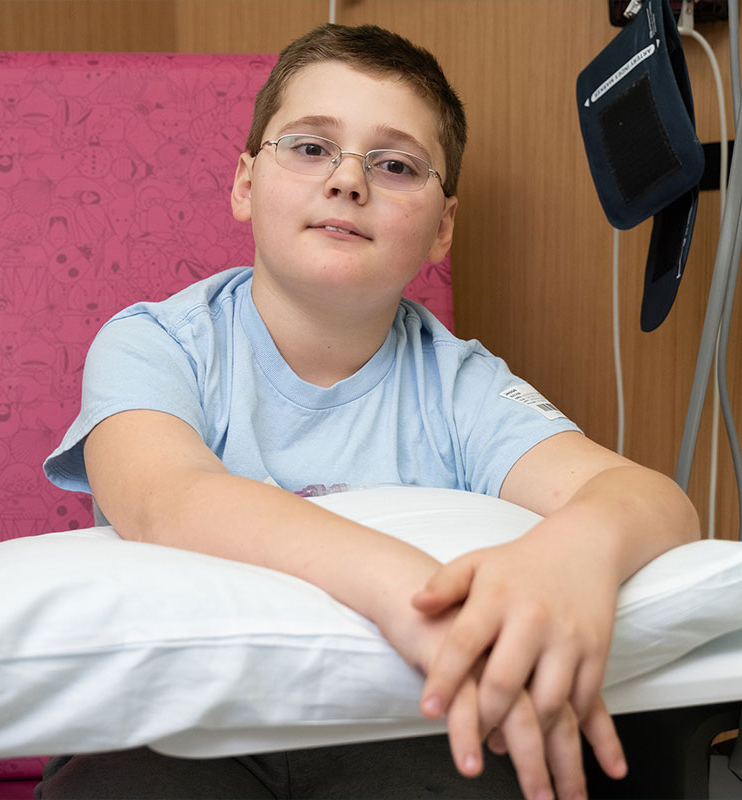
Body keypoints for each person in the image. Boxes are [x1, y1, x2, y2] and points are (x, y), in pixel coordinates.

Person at [39, 23, 699, 800]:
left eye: (395, 165)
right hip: (171, 728)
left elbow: (651, 501)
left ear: (442, 228)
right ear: (245, 183)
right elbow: (168, 500)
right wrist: (401, 590)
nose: (349, 181)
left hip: (399, 728)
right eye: (310, 147)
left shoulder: (459, 388)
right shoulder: (154, 345)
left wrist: (568, 556)